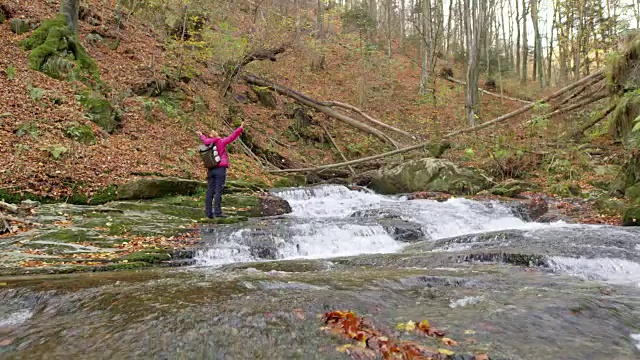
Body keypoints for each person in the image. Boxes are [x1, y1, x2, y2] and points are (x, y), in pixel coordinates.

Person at [196, 122, 245, 218]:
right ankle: (217, 212)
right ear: (217, 135)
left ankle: (208, 213)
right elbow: (232, 136)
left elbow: (205, 139)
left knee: (210, 191)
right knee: (218, 190)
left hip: (211, 169)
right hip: (220, 169)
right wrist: (241, 128)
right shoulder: (221, 142)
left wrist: (201, 135)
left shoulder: (207, 143)